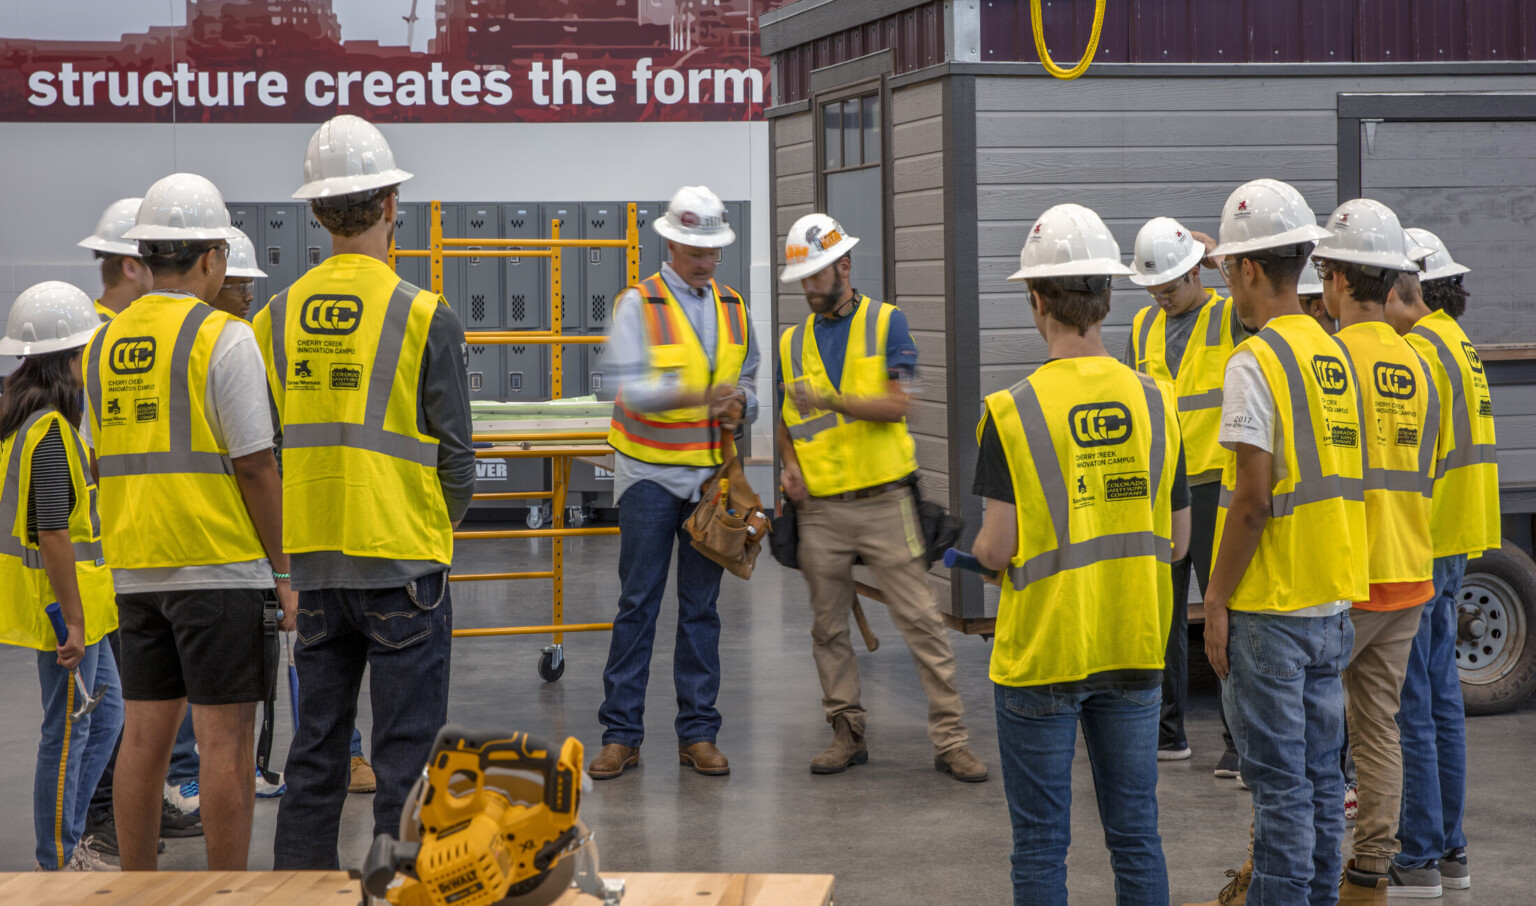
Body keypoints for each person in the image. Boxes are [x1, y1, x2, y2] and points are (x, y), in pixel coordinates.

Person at [255, 114, 472, 869]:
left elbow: (265, 449)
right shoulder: (424, 313)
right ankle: (401, 889)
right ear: (390, 205)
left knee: (314, 755)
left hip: (314, 567)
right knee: (406, 764)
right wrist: (430, 525)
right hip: (404, 565)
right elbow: (458, 458)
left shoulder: (273, 318)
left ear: (317, 212)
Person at [970, 203, 1188, 906]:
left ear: (1037, 300)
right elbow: (1179, 541)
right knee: (1135, 834)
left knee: (1040, 844)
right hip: (1134, 642)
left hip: (1043, 653)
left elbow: (997, 547)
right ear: (1107, 297)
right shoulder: (1159, 402)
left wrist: (970, 548)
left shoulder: (1012, 411)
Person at [84, 172, 296, 872]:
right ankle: (227, 892)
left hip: (137, 566)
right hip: (220, 568)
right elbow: (257, 467)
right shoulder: (224, 338)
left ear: (142, 256)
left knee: (144, 740)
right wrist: (286, 571)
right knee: (226, 744)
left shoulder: (101, 346)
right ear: (211, 258)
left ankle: (138, 888)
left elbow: (97, 456)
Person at [1198, 178, 1368, 906]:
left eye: (1231, 267)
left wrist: (1214, 599)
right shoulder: (1334, 355)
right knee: (1324, 782)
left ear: (1248, 270)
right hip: (1331, 605)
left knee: (1279, 792)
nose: (1229, 280)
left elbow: (1250, 500)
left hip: (1270, 607)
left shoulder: (1254, 362)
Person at [774, 213, 986, 782]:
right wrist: (790, 469)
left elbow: (900, 405)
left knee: (920, 620)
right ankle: (846, 731)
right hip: (819, 510)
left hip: (885, 503)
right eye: (804, 278)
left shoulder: (889, 324)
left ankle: (950, 740)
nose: (810, 287)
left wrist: (833, 399)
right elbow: (786, 419)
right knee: (828, 628)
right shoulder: (792, 343)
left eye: (818, 274)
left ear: (845, 265)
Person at [590, 185, 759, 780]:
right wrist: (699, 395)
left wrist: (744, 402)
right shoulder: (639, 304)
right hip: (648, 479)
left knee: (701, 611)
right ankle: (621, 735)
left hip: (709, 483)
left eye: (713, 249)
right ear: (670, 240)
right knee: (637, 605)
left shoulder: (735, 305)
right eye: (695, 248)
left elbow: (751, 381)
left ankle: (698, 734)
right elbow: (629, 388)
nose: (706, 259)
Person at [1312, 202, 1439, 903]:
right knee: (1377, 728)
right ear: (1389, 280)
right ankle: (1370, 872)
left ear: (1334, 280)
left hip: (1348, 577)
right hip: (1410, 572)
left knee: (1311, 734)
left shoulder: (1331, 362)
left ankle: (1303, 864)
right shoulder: (1419, 364)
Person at [1382, 227, 1497, 897]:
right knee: (1442, 701)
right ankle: (1450, 850)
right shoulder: (1459, 343)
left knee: (1412, 704)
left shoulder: (1419, 352)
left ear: (1413, 286)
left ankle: (1419, 854)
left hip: (1424, 541)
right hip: (1456, 537)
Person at [0, 282, 124, 872]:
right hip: (65, 608)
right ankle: (57, 857)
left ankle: (70, 837)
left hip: (86, 604)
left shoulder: (34, 420)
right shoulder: (47, 431)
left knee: (110, 714)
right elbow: (52, 531)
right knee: (66, 732)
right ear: (71, 357)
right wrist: (73, 621)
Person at [1124, 216, 1242, 766]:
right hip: (1164, 489)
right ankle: (1167, 732)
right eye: (1153, 289)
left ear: (1197, 272)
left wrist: (1224, 259)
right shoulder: (1142, 326)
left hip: (1215, 484)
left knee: (1225, 614)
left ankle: (1237, 744)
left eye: (1169, 287)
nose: (1161, 298)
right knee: (1161, 617)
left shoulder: (1229, 316)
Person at [78, 198, 151, 321]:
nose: (164, 269)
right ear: (130, 268)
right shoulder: (100, 333)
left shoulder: (101, 325)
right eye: (155, 262)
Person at [208, 230, 266, 321]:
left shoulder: (241, 332)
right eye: (242, 288)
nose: (250, 298)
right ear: (215, 286)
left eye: (250, 287)